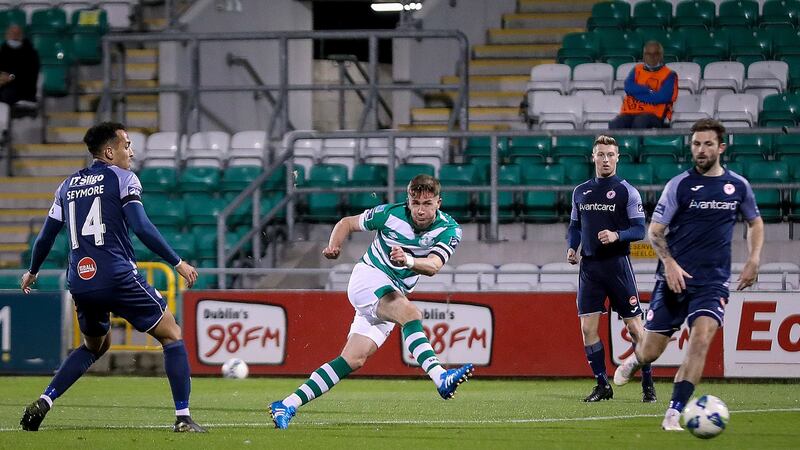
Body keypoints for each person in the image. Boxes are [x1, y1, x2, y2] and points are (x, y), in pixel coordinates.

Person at [19, 122, 206, 433]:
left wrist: (33, 271)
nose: (131, 151)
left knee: (93, 346)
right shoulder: (123, 179)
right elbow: (142, 227)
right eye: (126, 145)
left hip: (80, 281)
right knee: (172, 334)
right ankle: (183, 418)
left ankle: (45, 400)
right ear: (109, 151)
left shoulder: (66, 186)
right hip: (118, 276)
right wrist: (177, 262)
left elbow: (45, 237)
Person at [268, 174, 474, 429]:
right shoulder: (389, 214)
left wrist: (408, 261)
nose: (420, 210)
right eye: (415, 202)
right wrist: (334, 246)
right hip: (368, 278)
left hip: (392, 292)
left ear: (438, 203)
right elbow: (346, 223)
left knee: (353, 359)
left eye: (427, 203)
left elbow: (433, 266)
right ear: (408, 200)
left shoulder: (450, 229)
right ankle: (440, 376)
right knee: (411, 314)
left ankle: (287, 404)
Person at [614, 119, 763, 430]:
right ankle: (635, 359)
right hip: (672, 280)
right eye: (696, 144)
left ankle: (674, 413)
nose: (701, 150)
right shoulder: (679, 185)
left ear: (721, 147)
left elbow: (755, 223)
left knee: (700, 339)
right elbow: (655, 232)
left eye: (708, 144)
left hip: (712, 282)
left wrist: (754, 259)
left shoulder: (738, 186)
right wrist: (669, 263)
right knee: (652, 350)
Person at [567, 135, 655, 403]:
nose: (606, 159)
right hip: (590, 268)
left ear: (618, 158)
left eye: (610, 155)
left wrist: (617, 235)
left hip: (617, 265)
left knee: (636, 330)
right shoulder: (580, 191)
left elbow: (640, 229)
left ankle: (648, 385)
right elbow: (575, 226)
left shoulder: (628, 191)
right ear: (593, 157)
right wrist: (573, 247)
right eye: (601, 154)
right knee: (587, 329)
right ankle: (602, 384)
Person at [609, 41, 678, 130]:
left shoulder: (669, 74)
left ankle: (637, 144)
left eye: (655, 54)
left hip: (655, 115)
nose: (652, 57)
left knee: (640, 121)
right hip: (631, 112)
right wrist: (648, 90)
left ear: (661, 55)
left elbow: (662, 97)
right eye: (648, 54)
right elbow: (628, 87)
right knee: (615, 123)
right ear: (644, 56)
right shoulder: (637, 70)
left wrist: (636, 94)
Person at [0, 24, 40, 105]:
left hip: (23, 89)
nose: (14, 36)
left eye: (17, 34)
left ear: (21, 36)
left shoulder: (30, 52)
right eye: (12, 34)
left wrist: (10, 77)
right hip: (5, 87)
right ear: (7, 36)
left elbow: (29, 74)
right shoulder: (3, 50)